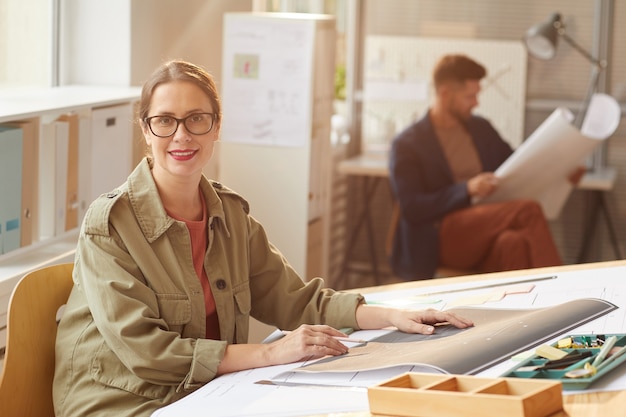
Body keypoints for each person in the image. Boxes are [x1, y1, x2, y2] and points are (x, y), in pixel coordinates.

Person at [52, 60, 474, 416]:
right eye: (164, 121)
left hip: (205, 395)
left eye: (197, 119)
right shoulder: (109, 224)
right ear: (146, 130)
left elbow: (297, 300)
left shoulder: (230, 214)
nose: (181, 135)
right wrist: (272, 354)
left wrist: (393, 317)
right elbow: (146, 351)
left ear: (216, 127)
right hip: (124, 402)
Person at [388, 54, 573, 281]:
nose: (476, 102)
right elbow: (412, 207)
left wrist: (561, 169)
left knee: (512, 243)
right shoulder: (408, 144)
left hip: (487, 227)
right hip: (441, 237)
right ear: (445, 94)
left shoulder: (481, 129)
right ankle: (563, 291)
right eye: (470, 96)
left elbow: (519, 165)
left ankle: (525, 312)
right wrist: (466, 189)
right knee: (528, 210)